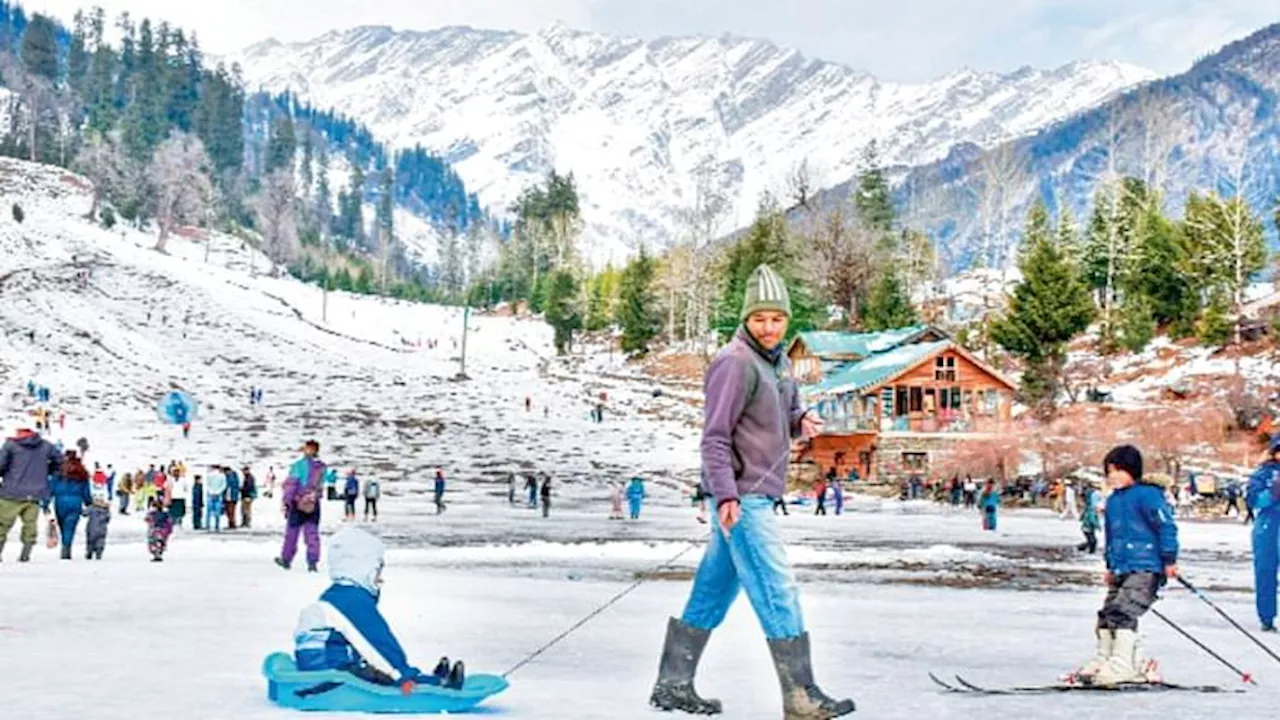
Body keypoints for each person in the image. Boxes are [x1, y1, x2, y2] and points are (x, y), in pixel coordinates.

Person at [649, 264, 854, 718]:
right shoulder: (733, 362)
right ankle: (801, 697)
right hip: (743, 499)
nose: (768, 326)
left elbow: (790, 412)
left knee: (713, 590)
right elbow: (714, 437)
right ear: (746, 319)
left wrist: (802, 423)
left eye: (776, 318)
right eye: (760, 318)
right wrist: (724, 496)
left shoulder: (779, 362)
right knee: (778, 589)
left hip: (755, 493)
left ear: (787, 320)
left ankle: (672, 685)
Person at [292, 528, 464, 690]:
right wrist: (404, 676)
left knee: (373, 668)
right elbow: (378, 645)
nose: (381, 579)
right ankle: (431, 684)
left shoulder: (337, 596)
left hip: (321, 666)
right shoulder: (351, 601)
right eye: (378, 571)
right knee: (383, 672)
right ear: (364, 570)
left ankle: (421, 679)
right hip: (331, 676)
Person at [1077, 445, 1178, 686]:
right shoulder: (1113, 501)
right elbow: (1112, 536)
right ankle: (1106, 658)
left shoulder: (1148, 496)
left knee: (1123, 611)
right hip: (1122, 566)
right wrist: (1110, 566)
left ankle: (1123, 664)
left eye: (1116, 471)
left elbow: (1166, 527)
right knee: (1107, 613)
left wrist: (1169, 559)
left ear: (1131, 470)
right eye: (1108, 472)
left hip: (1146, 565)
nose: (1111, 476)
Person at [1246, 437, 1280, 632]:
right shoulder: (1262, 474)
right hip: (1268, 527)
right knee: (1266, 572)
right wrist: (1273, 493)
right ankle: (1267, 617)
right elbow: (1253, 501)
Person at [277, 440, 325, 572]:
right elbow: (320, 488)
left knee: (292, 533)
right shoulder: (321, 467)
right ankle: (312, 562)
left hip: (297, 503)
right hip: (313, 504)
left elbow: (291, 485)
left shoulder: (298, 466)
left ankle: (286, 559)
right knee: (312, 533)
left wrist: (286, 501)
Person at [48, 450, 92, 559]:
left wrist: (45, 503)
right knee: (70, 526)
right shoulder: (81, 471)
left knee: (62, 525)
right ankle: (66, 548)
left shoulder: (59, 471)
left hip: (60, 501)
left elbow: (51, 488)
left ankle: (65, 547)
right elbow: (86, 491)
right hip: (75, 501)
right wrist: (88, 503)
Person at [84, 481, 111, 560]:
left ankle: (90, 552)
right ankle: (99, 552)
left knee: (90, 541)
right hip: (102, 529)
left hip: (91, 528)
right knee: (100, 541)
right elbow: (108, 518)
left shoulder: (92, 508)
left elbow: (84, 513)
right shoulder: (106, 510)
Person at [1077, 478, 1102, 554]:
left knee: (1091, 540)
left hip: (1087, 527)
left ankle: (1082, 548)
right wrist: (1097, 526)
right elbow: (1092, 519)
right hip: (1088, 527)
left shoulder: (1089, 508)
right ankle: (1088, 550)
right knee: (1092, 541)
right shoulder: (1091, 510)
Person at [146, 497, 174, 562]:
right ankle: (158, 553)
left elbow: (148, 520)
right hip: (162, 531)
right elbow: (169, 522)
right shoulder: (165, 514)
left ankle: (156, 553)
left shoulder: (152, 514)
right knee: (159, 542)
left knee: (154, 541)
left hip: (156, 530)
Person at [205, 468, 227, 533]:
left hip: (211, 494)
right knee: (217, 511)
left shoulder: (209, 475)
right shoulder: (222, 476)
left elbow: (207, 485)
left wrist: (211, 492)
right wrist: (218, 492)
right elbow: (224, 485)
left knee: (210, 512)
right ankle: (216, 526)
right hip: (217, 495)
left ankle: (208, 526)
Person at [225, 466, 241, 530]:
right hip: (229, 496)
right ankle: (230, 523)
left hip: (232, 496)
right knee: (229, 511)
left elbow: (229, 484)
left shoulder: (232, 477)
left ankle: (232, 523)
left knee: (231, 511)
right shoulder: (234, 476)